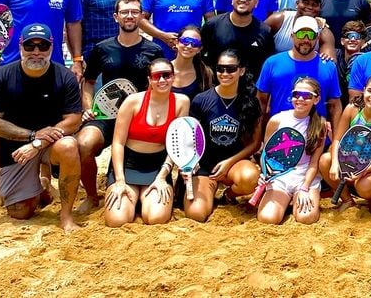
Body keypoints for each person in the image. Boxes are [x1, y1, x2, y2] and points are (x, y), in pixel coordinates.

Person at [0, 23, 83, 232]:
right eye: (30, 46)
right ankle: (41, 189)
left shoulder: (65, 77)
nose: (36, 52)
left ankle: (66, 216)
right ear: (20, 46)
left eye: (42, 46)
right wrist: (31, 136)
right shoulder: (1, 77)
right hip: (18, 146)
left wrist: (37, 142)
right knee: (20, 213)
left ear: (51, 47)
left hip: (48, 144)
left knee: (69, 145)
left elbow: (73, 121)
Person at [75, 0, 162, 214]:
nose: (129, 16)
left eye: (134, 12)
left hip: (138, 120)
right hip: (105, 116)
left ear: (142, 16)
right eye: (125, 12)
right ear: (116, 17)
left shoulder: (154, 51)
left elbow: (160, 88)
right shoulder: (102, 49)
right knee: (84, 144)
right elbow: (89, 82)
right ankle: (92, 196)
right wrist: (87, 108)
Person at [102, 58, 190, 227]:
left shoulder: (182, 102)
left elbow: (176, 145)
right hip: (128, 165)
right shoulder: (132, 102)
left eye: (167, 75)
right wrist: (119, 180)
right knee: (117, 221)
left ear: (173, 76)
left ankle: (142, 200)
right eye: (157, 76)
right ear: (149, 79)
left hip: (157, 166)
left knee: (156, 219)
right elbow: (118, 143)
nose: (162, 80)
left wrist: (162, 177)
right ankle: (135, 199)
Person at [184, 49, 262, 221]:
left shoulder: (250, 102)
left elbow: (255, 143)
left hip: (234, 164)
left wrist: (229, 163)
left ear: (241, 71)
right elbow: (190, 138)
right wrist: (190, 165)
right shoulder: (201, 100)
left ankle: (229, 194)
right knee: (196, 215)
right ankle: (208, 191)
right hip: (206, 166)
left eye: (231, 69)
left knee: (250, 178)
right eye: (220, 68)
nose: (225, 73)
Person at [319, 74, 371, 211]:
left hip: (369, 172)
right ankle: (348, 200)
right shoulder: (351, 109)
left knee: (364, 188)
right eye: (370, 90)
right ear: (363, 91)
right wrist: (335, 164)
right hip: (347, 167)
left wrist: (361, 171)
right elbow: (337, 139)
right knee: (325, 159)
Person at [257, 77, 328, 225]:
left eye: (307, 95)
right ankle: (285, 200)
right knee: (268, 219)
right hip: (279, 175)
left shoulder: (320, 125)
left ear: (316, 99)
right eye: (297, 94)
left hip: (305, 176)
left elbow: (314, 163)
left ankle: (297, 198)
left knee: (306, 218)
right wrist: (264, 174)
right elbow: (267, 154)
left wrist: (304, 188)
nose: (301, 99)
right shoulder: (276, 120)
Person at [256, 16, 342, 121]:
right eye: (301, 34)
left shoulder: (328, 66)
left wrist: (337, 137)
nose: (306, 39)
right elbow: (261, 103)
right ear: (292, 36)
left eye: (310, 35)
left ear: (317, 38)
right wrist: (258, 137)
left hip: (316, 133)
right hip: (280, 132)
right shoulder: (272, 63)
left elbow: (334, 106)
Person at [199, 0, 272, 82]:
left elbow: (266, 66)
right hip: (217, 88)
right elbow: (200, 57)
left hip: (249, 92)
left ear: (256, 3)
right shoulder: (212, 25)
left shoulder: (265, 31)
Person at [266, 0, 336, 58]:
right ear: (297, 3)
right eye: (306, 3)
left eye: (315, 4)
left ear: (320, 8)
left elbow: (329, 63)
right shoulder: (279, 20)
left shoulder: (324, 32)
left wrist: (326, 59)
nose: (310, 7)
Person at [170, 24, 212, 99]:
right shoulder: (162, 69)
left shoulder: (205, 74)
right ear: (177, 42)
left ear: (199, 49)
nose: (189, 46)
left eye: (195, 43)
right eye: (185, 41)